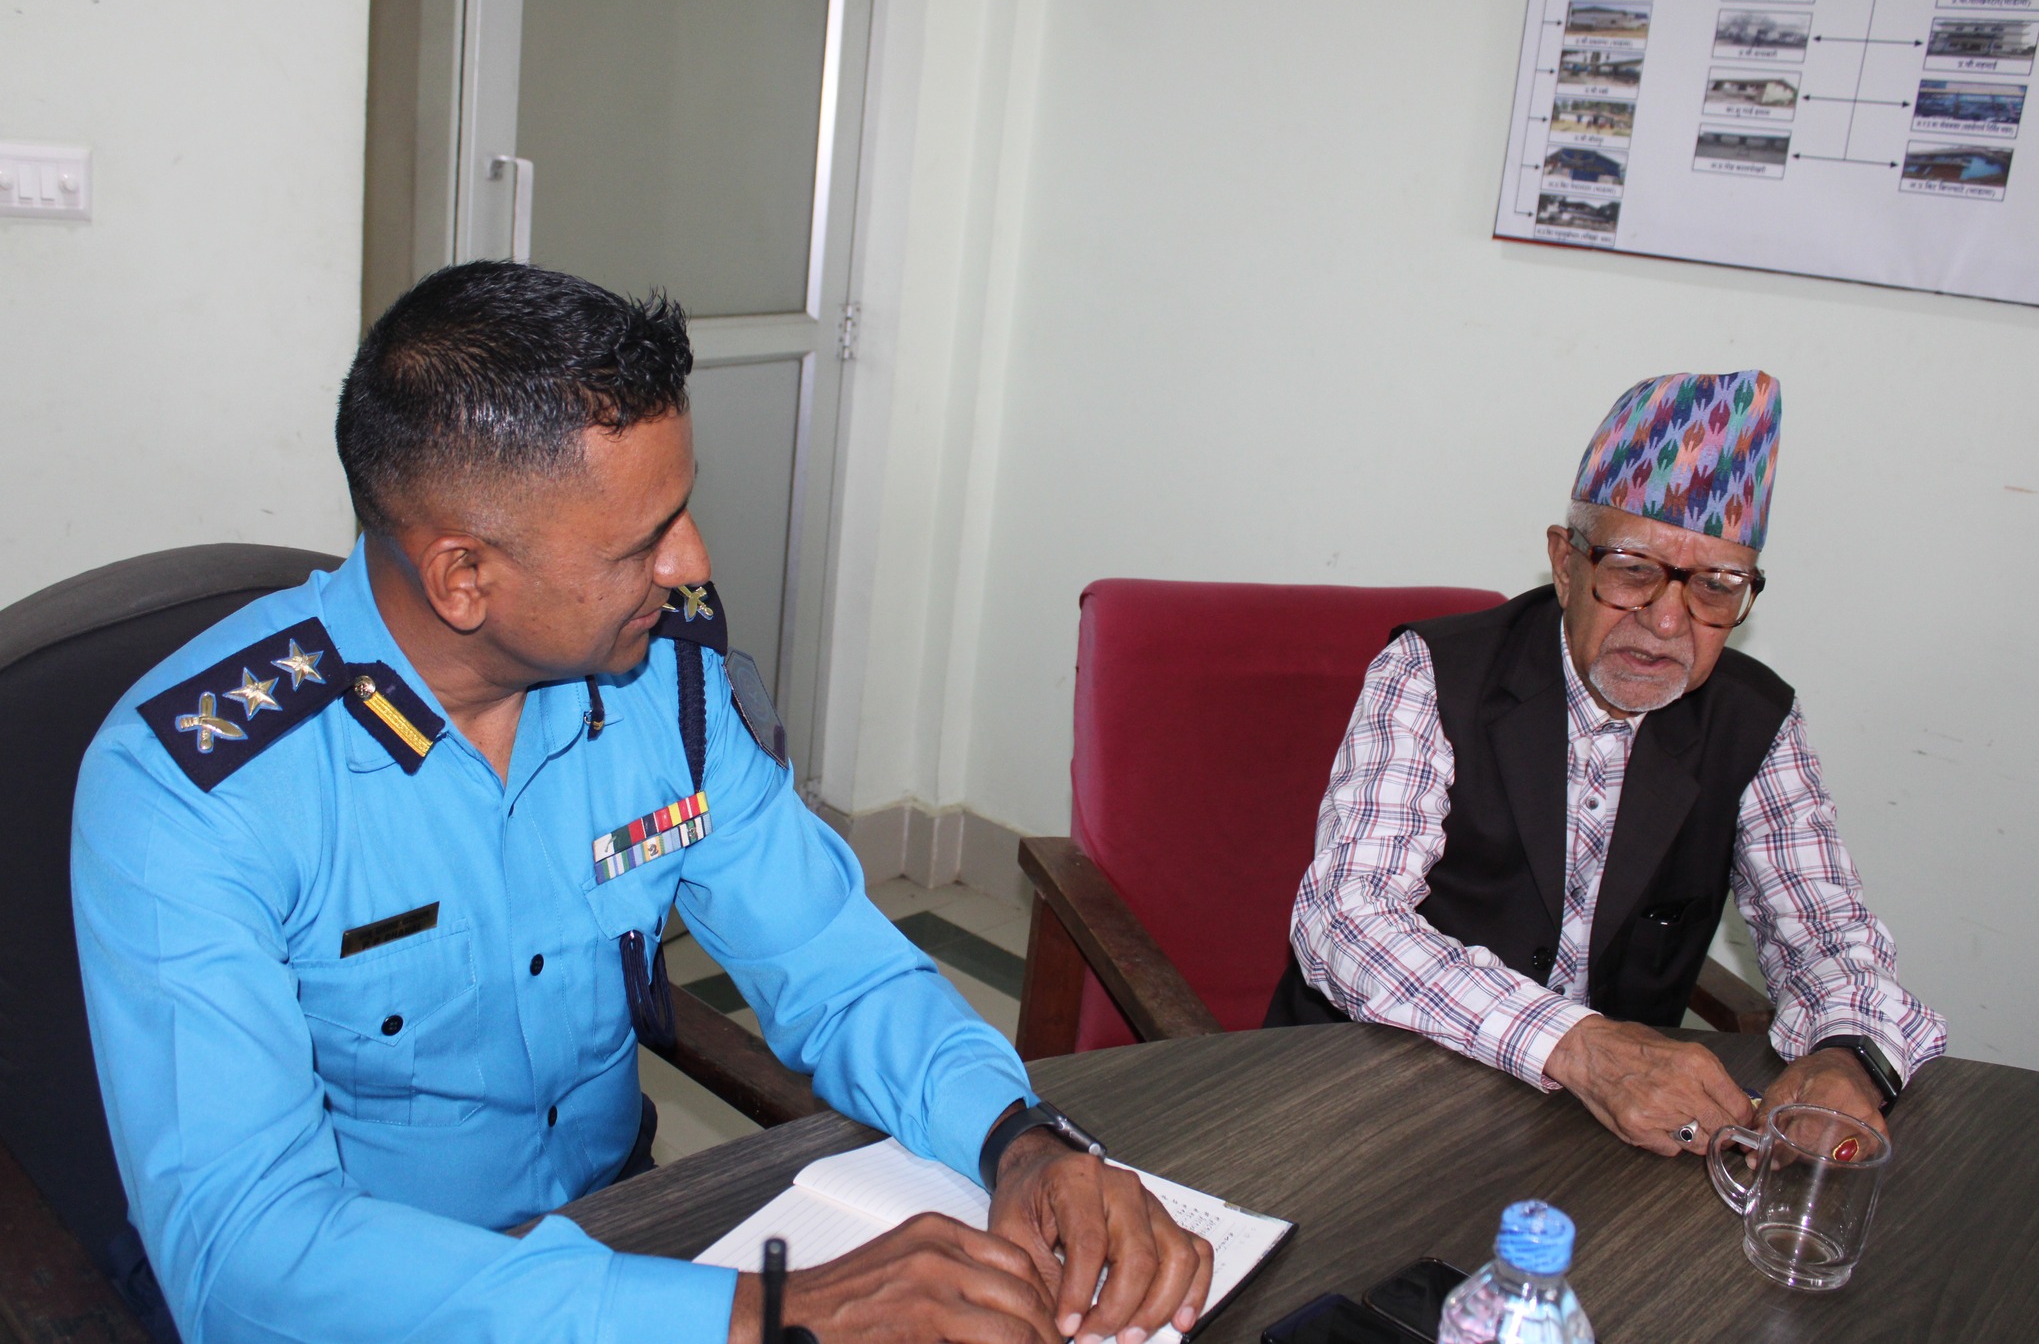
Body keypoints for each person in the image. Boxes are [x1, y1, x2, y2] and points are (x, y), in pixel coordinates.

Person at [72, 261, 1209, 1344]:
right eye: (641, 542)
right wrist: (769, 1315)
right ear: (463, 578)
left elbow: (836, 966)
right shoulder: (194, 791)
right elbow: (246, 1255)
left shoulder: (664, 686)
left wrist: (1018, 1140)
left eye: (682, 511)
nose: (690, 563)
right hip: (384, 1302)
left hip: (625, 1235)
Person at [1271, 370, 1946, 1156]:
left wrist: (1847, 1056)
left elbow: (1829, 936)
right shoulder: (1431, 672)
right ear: (1566, 564)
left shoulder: (1755, 721)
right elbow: (1344, 918)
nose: (1667, 621)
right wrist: (1578, 1045)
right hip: (1365, 1096)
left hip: (1590, 1144)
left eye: (1715, 587)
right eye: (1633, 569)